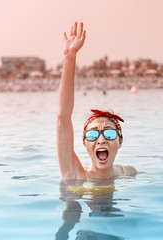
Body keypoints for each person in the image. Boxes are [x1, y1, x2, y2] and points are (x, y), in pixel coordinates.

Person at [57, 22, 137, 179]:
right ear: (84, 142)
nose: (101, 140)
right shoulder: (76, 175)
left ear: (120, 141)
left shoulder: (129, 173)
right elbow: (63, 118)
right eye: (93, 135)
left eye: (108, 133)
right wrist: (70, 56)